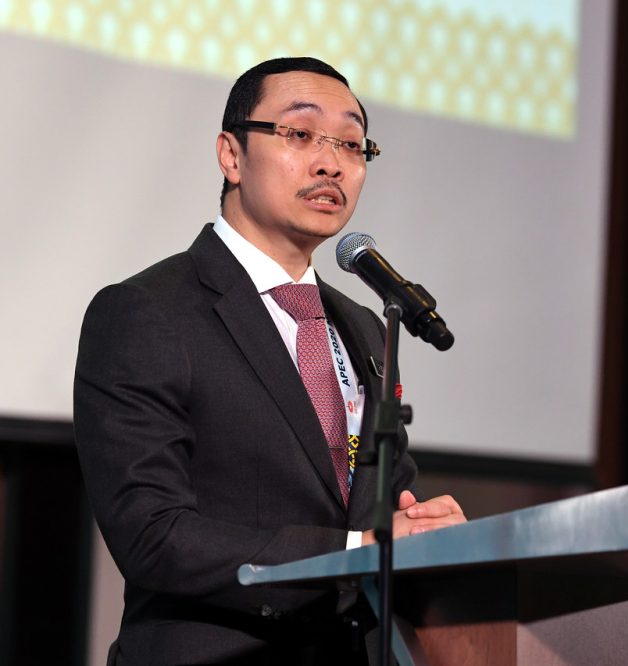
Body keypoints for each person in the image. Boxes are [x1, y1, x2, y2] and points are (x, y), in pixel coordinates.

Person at [74, 57, 465, 665]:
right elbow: (153, 535)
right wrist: (358, 549)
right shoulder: (146, 311)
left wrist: (426, 530)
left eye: (352, 144)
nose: (331, 161)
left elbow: (383, 498)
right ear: (231, 155)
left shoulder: (363, 324)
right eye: (300, 133)